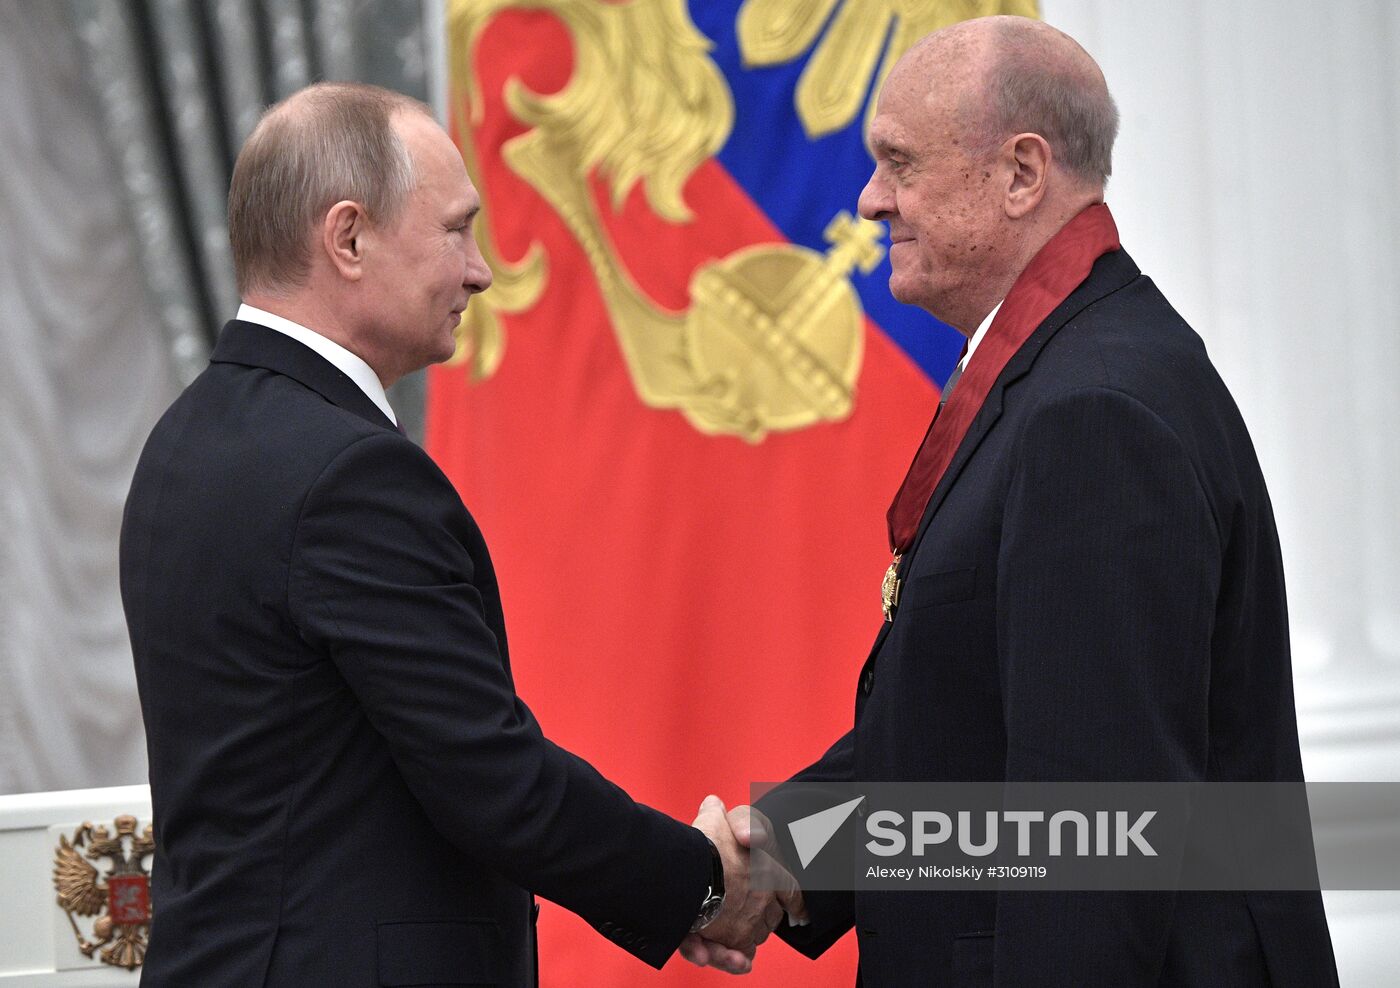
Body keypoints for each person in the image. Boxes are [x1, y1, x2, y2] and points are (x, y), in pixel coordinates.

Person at [683, 15, 1338, 986]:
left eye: (897, 164)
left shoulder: (1094, 412)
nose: (868, 200)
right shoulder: (1072, 375)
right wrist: (778, 853)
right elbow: (965, 738)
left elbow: (1088, 848)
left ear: (1020, 174)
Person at [120, 82, 797, 987]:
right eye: (454, 230)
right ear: (348, 238)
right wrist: (702, 882)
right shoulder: (349, 474)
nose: (480, 270)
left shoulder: (184, 439)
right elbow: (492, 781)